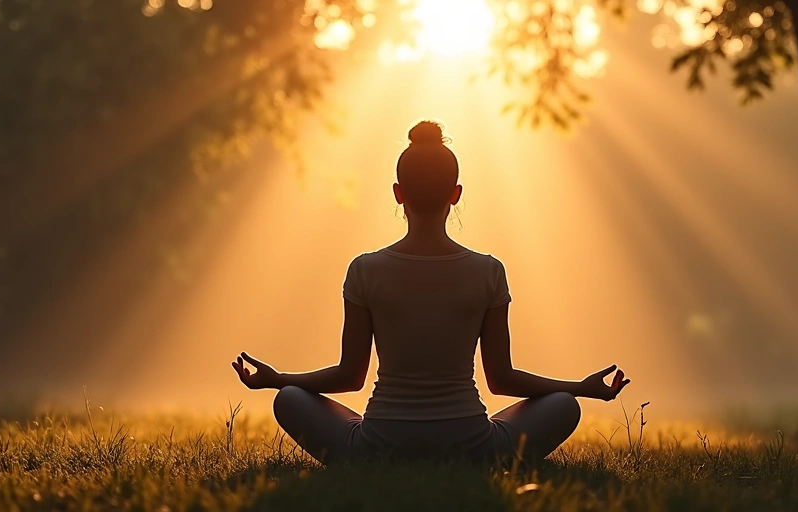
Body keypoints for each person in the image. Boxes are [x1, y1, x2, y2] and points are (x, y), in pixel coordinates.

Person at [231, 120, 631, 465]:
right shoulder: (488, 271)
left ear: (398, 193)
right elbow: (501, 379)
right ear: (455, 194)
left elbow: (349, 376)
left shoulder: (365, 270)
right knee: (564, 405)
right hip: (473, 446)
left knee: (288, 399)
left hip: (378, 445)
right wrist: (580, 388)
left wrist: (277, 378)